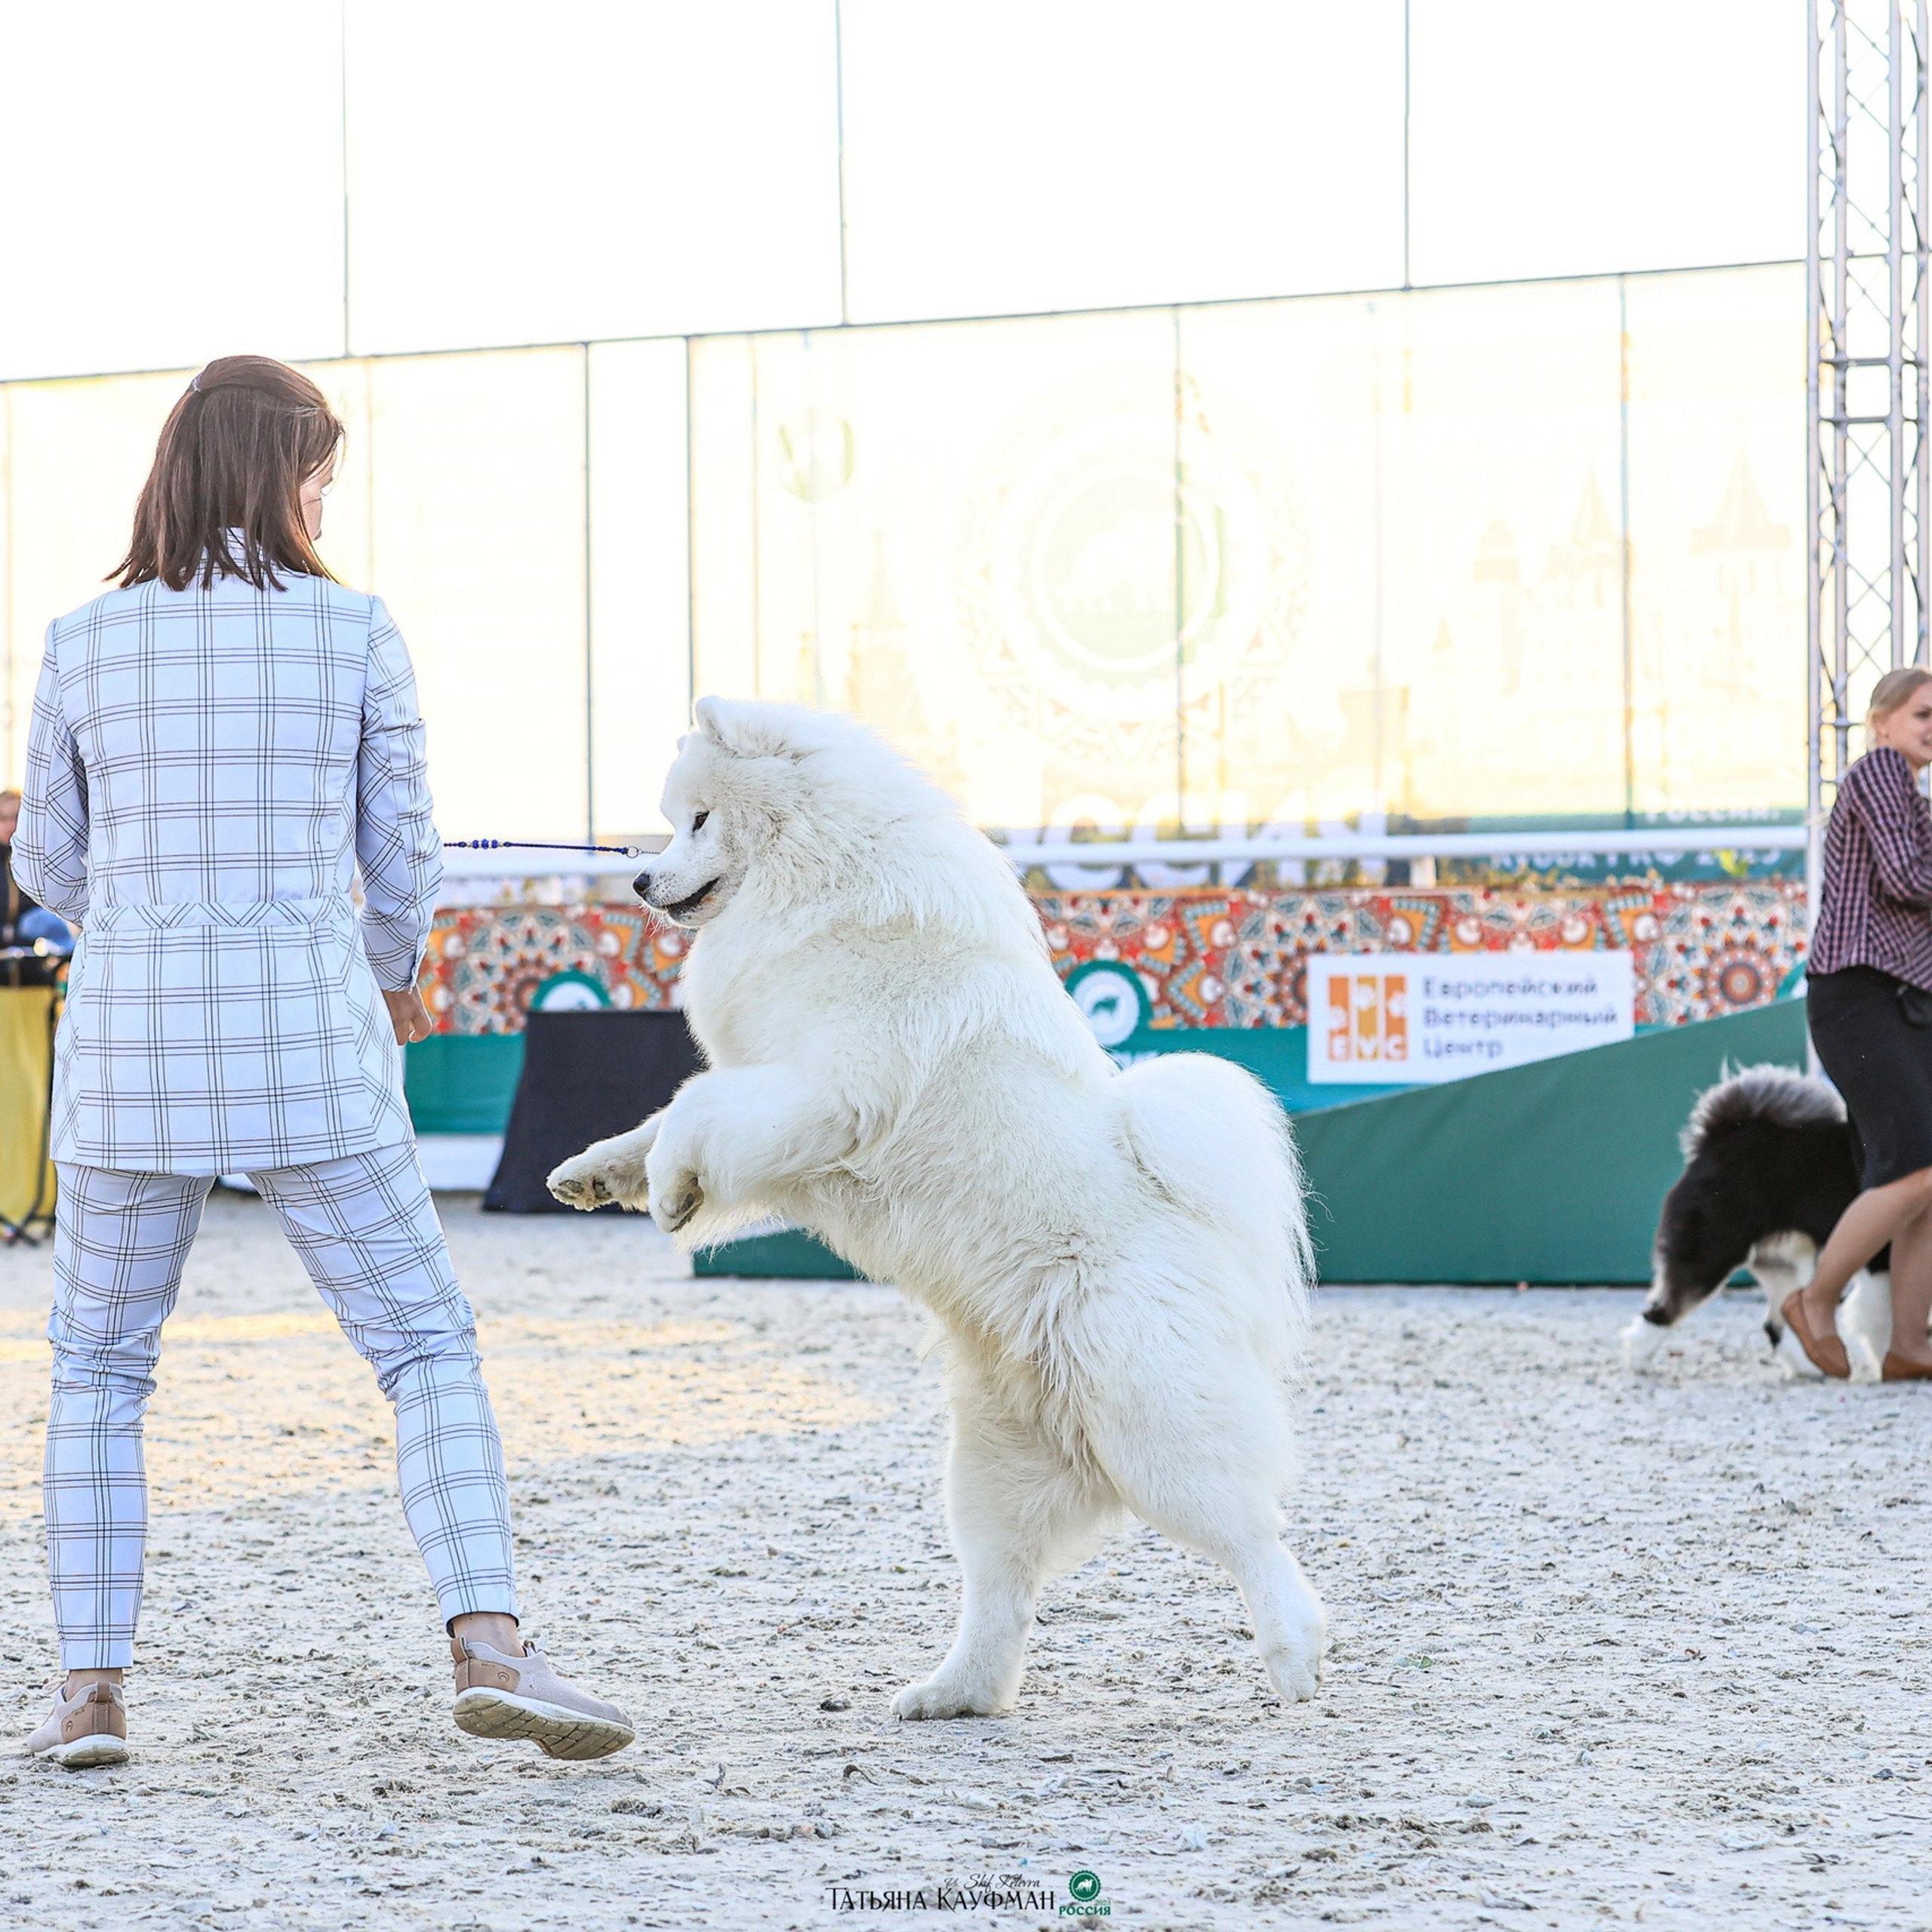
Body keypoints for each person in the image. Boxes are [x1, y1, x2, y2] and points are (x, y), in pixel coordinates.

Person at [12, 356, 633, 1767]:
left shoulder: (80, 639)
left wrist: (142, 912)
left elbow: (48, 855)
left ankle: (91, 1696)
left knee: (101, 1370)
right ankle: (490, 1644)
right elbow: (401, 852)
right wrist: (383, 968)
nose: (320, 496)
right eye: (316, 472)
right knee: (424, 1348)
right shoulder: (355, 631)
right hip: (306, 1034)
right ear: (275, 472)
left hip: (129, 1055)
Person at [1791, 664, 1932, 1381]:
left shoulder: (1908, 794)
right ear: (1882, 724)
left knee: (1929, 1171)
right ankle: (1815, 1300)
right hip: (1859, 993)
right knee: (1916, 1167)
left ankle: (1912, 1344)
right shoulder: (1878, 771)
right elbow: (1909, 881)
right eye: (1923, 714)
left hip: (1901, 999)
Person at [2, 786, 65, 989]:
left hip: (36, 977)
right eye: (3, 819)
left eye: (17, 817)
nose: (11, 825)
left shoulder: (39, 859)